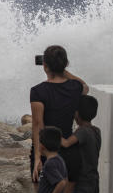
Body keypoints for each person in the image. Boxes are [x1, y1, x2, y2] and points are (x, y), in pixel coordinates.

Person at [30, 45, 88, 185]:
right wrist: (62, 69)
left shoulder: (38, 91)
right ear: (65, 64)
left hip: (47, 151)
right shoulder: (75, 87)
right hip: (69, 151)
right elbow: (85, 86)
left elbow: (38, 125)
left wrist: (38, 157)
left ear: (45, 66)